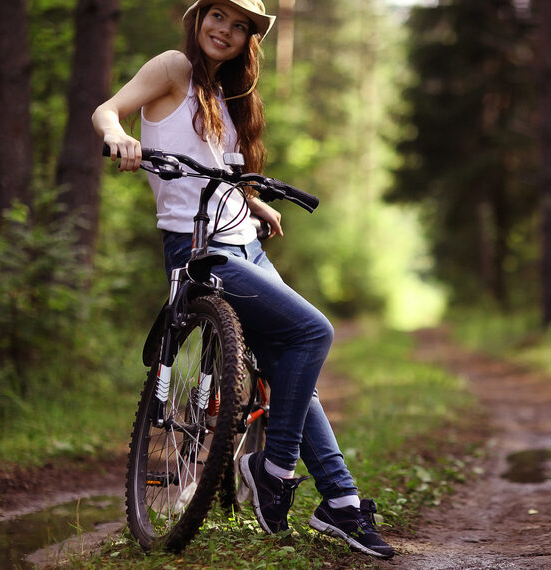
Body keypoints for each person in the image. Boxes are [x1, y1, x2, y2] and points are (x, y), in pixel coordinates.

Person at [91, 0, 394, 559]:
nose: (225, 32)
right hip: (198, 249)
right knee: (313, 333)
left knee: (293, 371)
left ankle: (342, 504)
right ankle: (273, 469)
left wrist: (253, 202)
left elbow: (216, 168)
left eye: (239, 26)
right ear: (198, 16)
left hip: (245, 243)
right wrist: (121, 138)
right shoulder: (172, 68)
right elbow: (107, 110)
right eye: (218, 18)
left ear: (249, 39)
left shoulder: (228, 95)